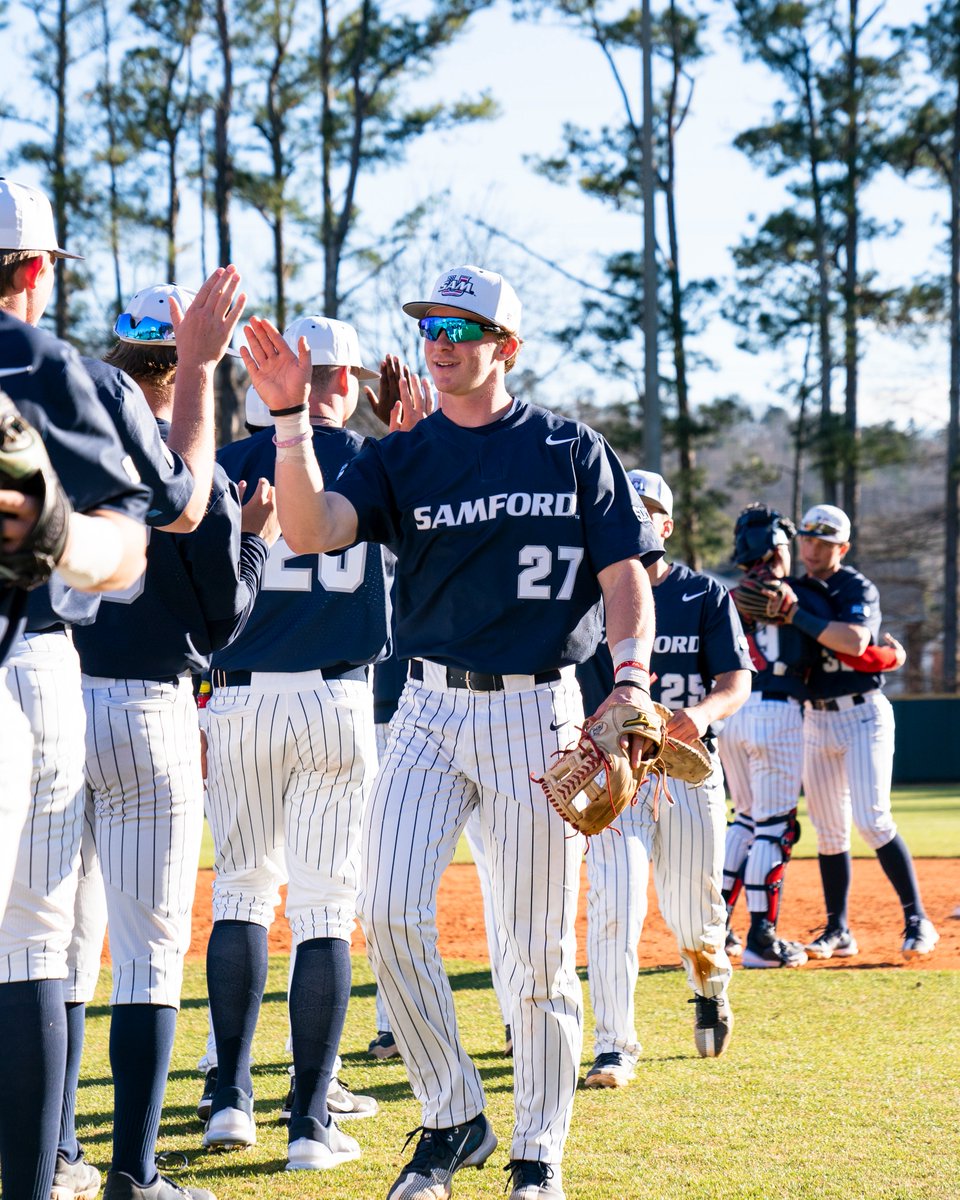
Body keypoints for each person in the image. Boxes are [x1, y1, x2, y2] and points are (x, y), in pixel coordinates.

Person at [240, 263, 663, 1200]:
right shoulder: (406, 453)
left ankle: (538, 1153)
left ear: (505, 348)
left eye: (462, 328)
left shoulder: (569, 447)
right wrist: (289, 421)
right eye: (430, 325)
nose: (440, 341)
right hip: (428, 707)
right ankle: (452, 1115)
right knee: (387, 909)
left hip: (537, 711)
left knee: (536, 952)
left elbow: (625, 575)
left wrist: (632, 677)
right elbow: (310, 529)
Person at [63, 279, 273, 1200]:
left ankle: (54, 1155)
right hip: (149, 711)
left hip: (55, 697)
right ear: (185, 364)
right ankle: (134, 1172)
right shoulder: (200, 471)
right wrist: (254, 541)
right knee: (147, 951)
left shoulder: (64, 444)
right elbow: (222, 621)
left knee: (51, 942)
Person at [201, 316, 390, 1171]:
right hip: (335, 699)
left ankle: (227, 1101)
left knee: (240, 894)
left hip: (238, 698)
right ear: (344, 382)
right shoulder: (377, 462)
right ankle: (310, 1123)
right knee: (323, 909)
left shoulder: (226, 463)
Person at [0, 177, 150, 1200]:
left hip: (33, 669)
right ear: (37, 271)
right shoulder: (39, 365)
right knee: (29, 945)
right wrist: (57, 534)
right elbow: (125, 553)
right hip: (29, 665)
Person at [578, 471, 752, 1076]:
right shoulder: (588, 592)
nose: (638, 517)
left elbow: (736, 681)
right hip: (616, 771)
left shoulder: (703, 594)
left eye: (648, 509)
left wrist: (700, 715)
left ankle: (709, 989)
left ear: (668, 525)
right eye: (629, 506)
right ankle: (613, 1043)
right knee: (614, 904)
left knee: (693, 908)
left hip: (686, 768)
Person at [791, 505, 939, 960]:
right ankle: (838, 929)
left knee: (873, 820)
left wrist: (796, 616)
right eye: (807, 539)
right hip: (815, 717)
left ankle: (918, 920)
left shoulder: (856, 587)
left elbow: (855, 642)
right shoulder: (794, 588)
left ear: (843, 548)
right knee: (829, 831)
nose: (812, 548)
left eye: (823, 542)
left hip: (862, 713)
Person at [718, 505, 812, 969]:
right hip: (777, 710)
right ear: (777, 547)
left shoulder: (726, 597)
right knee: (776, 827)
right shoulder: (796, 595)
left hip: (732, 710)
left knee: (745, 821)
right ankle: (762, 938)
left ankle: (714, 929)